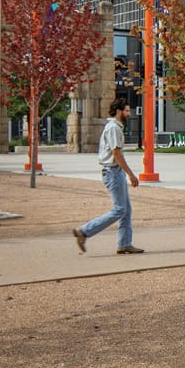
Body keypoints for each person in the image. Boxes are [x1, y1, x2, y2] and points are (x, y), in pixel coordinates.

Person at [72, 98, 143, 254]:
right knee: (119, 209)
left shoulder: (116, 127)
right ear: (118, 111)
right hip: (113, 172)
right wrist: (131, 174)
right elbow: (116, 152)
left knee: (126, 210)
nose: (129, 114)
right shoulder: (113, 128)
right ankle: (84, 231)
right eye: (126, 110)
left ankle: (124, 243)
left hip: (115, 171)